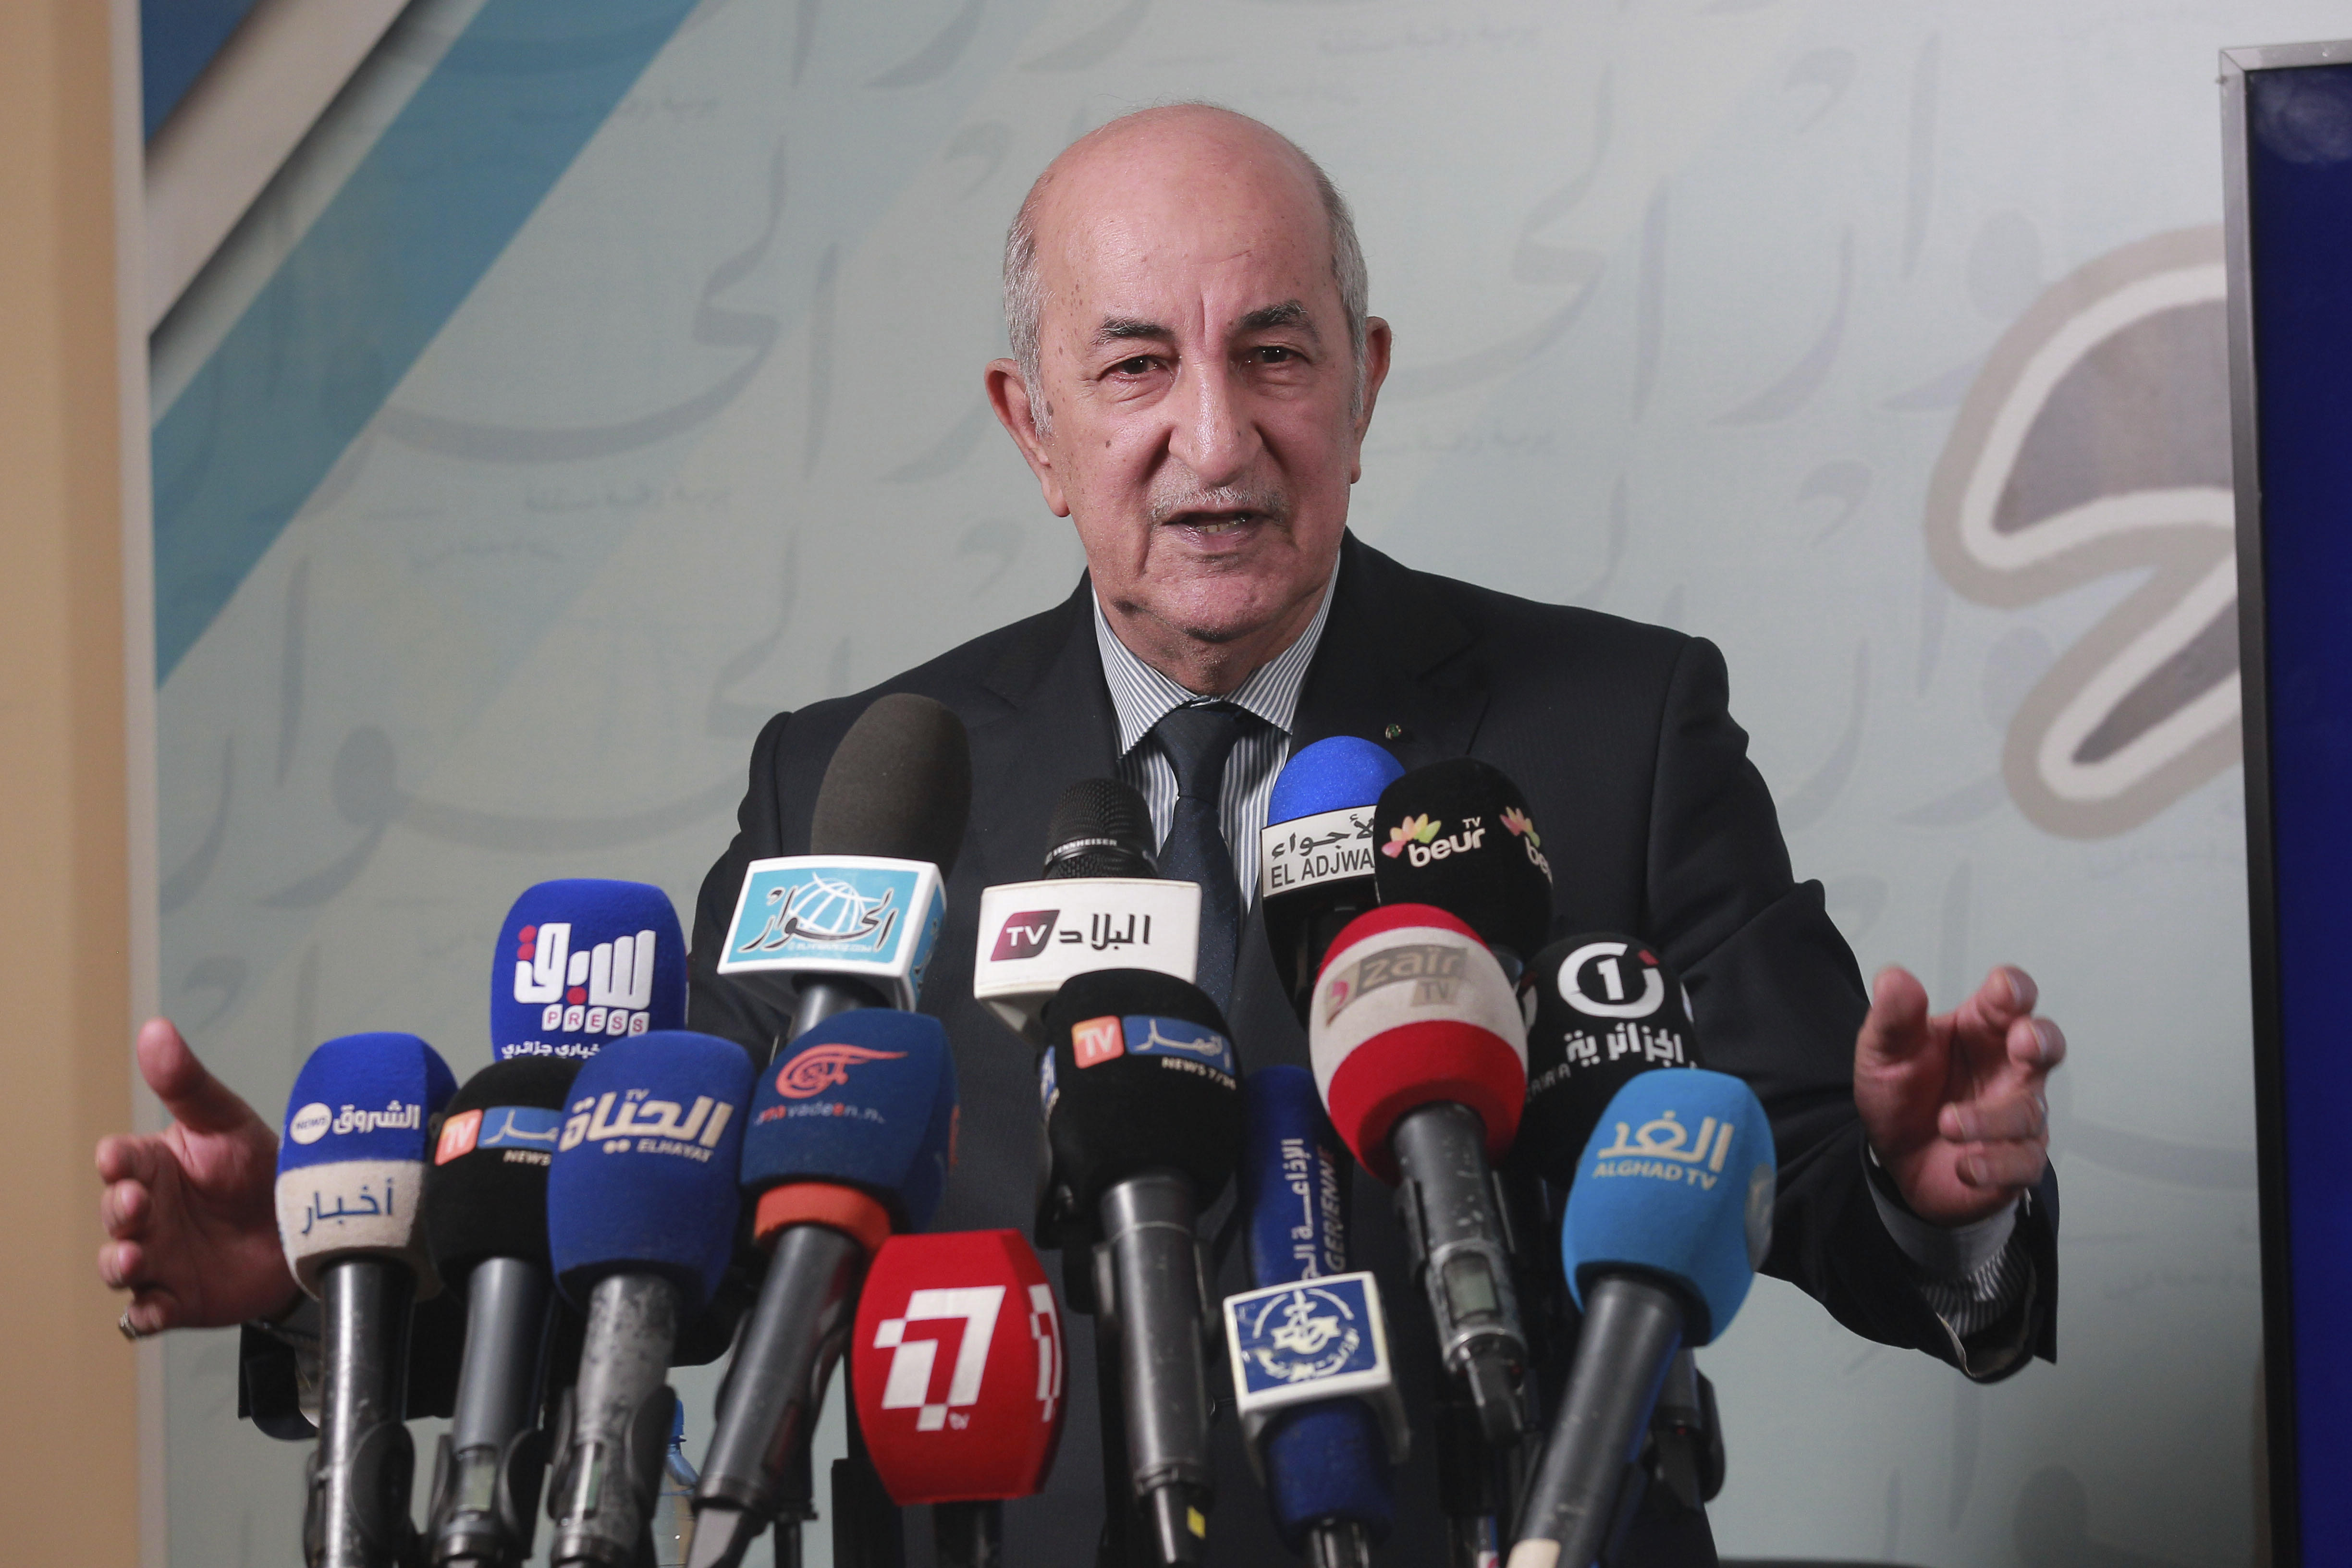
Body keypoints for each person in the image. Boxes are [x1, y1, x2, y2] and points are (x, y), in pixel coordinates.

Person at [98, 106, 2064, 1565]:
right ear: (1033, 426)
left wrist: (1931, 1189)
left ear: (1362, 390)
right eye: (1135, 365)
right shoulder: (856, 786)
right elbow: (670, 1244)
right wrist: (309, 1274)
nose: (1213, 438)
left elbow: (1802, 1165)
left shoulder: (1612, 727)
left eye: (1275, 353)